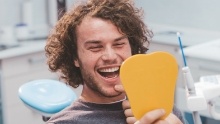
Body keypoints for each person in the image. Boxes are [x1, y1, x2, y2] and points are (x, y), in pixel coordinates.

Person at [45, 0, 186, 123]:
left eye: (119, 44)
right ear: (75, 57)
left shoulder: (163, 112)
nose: (110, 56)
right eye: (95, 47)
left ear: (132, 48)